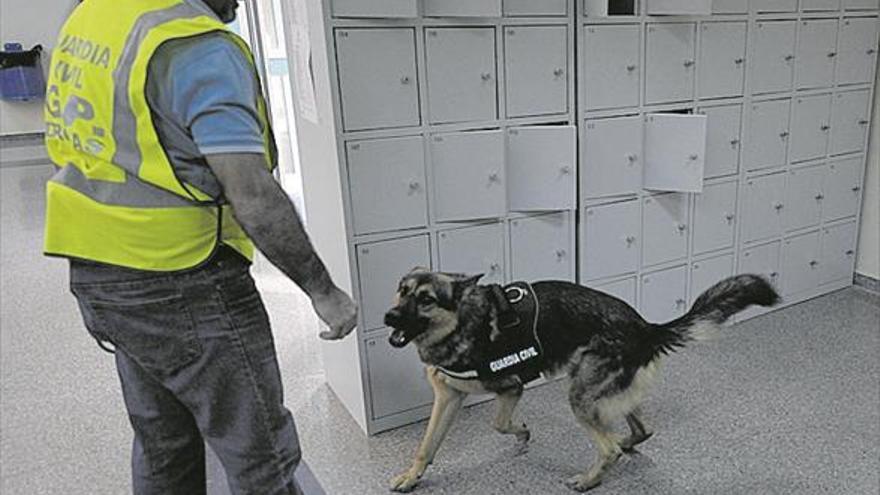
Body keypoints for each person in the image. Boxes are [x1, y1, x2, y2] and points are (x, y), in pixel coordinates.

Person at [43, 0, 358, 493]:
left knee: (163, 445)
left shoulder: (92, 15)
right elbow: (252, 194)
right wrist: (323, 290)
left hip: (98, 273)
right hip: (182, 279)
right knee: (263, 456)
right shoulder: (195, 45)